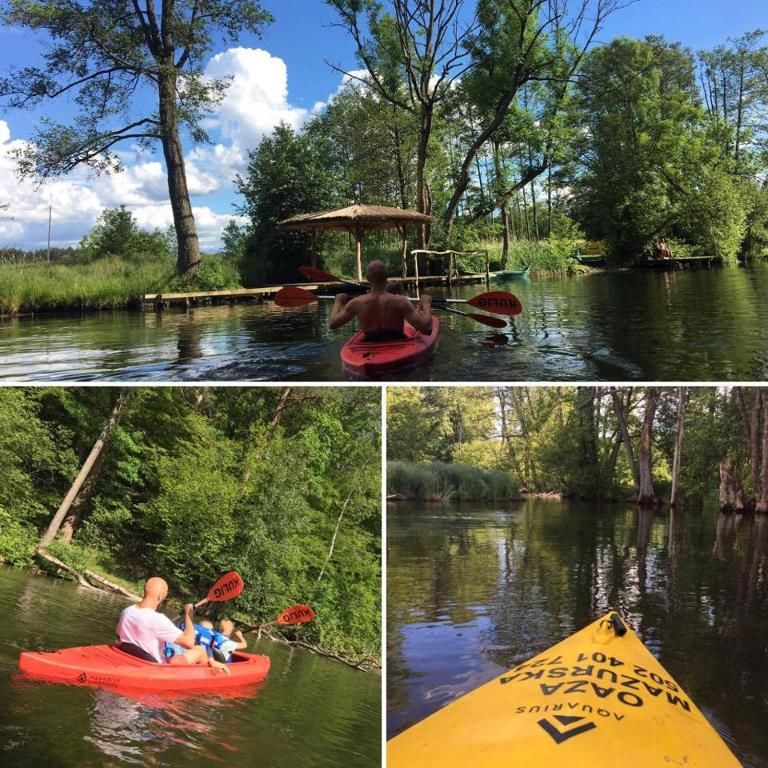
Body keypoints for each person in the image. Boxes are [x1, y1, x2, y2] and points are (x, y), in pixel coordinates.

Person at [116, 576, 229, 673]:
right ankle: (200, 680)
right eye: (165, 595)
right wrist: (189, 616)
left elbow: (119, 636)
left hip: (130, 658)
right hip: (155, 668)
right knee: (200, 650)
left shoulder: (127, 611)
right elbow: (189, 643)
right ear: (160, 597)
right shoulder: (158, 620)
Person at [329, 260, 432, 341]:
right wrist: (426, 304)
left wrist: (338, 302)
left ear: (368, 278)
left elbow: (333, 324)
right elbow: (426, 329)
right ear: (387, 276)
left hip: (369, 342)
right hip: (397, 342)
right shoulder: (401, 301)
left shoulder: (356, 303)